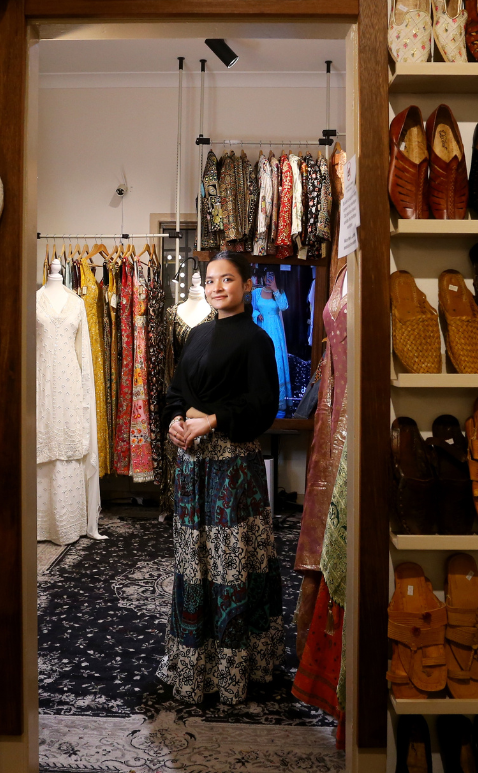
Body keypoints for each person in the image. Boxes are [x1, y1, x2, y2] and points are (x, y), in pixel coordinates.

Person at [160, 252, 283, 705]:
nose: (216, 287)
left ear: (245, 285)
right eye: (210, 280)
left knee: (232, 564)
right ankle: (195, 668)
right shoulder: (196, 334)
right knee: (195, 564)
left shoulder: (256, 340)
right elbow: (174, 394)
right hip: (192, 467)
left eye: (226, 279)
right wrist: (176, 420)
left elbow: (262, 406)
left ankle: (237, 670)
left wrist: (211, 419)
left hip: (233, 468)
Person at [250, 271, 292, 409]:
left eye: (272, 276)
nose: (269, 279)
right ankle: (262, 399)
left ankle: (279, 402)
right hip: (262, 328)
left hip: (276, 329)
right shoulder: (256, 292)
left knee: (277, 360)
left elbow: (284, 307)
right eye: (267, 276)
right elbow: (251, 308)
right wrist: (257, 314)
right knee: (262, 359)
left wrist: (275, 289)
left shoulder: (279, 292)